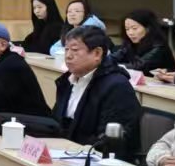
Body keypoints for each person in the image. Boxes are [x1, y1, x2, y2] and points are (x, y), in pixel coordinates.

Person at [51, 24, 142, 158]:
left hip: (97, 159)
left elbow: (110, 141)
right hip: (66, 152)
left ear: (97, 53)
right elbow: (56, 123)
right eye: (66, 49)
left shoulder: (116, 86)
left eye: (75, 50)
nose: (68, 56)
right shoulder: (66, 81)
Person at [111, 9, 174, 75]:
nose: (130, 33)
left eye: (134, 28)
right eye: (127, 29)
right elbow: (116, 56)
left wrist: (114, 66)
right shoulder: (129, 43)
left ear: (148, 28)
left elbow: (140, 66)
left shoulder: (159, 46)